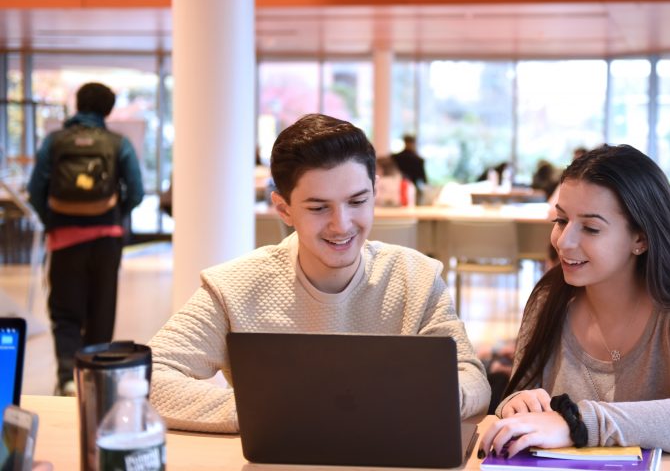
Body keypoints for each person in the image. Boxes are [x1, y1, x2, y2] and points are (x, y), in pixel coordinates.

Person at [147, 114, 490, 433]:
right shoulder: (234, 287)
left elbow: (471, 379)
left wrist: (398, 405)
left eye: (357, 201)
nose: (341, 225)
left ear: (374, 190)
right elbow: (147, 377)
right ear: (284, 208)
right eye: (318, 207)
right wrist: (267, 412)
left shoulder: (414, 277)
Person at [480, 144, 670, 457]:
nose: (563, 242)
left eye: (591, 228)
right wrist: (514, 407)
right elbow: (516, 399)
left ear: (641, 238)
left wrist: (577, 423)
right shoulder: (548, 301)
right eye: (561, 221)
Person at [27, 82, 144, 396]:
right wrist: (115, 215)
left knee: (65, 309)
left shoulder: (54, 142)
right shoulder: (118, 143)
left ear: (78, 105)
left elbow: (36, 189)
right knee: (101, 307)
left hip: (65, 239)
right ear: (107, 109)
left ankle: (67, 377)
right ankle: (94, 376)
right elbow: (137, 191)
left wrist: (53, 220)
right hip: (107, 239)